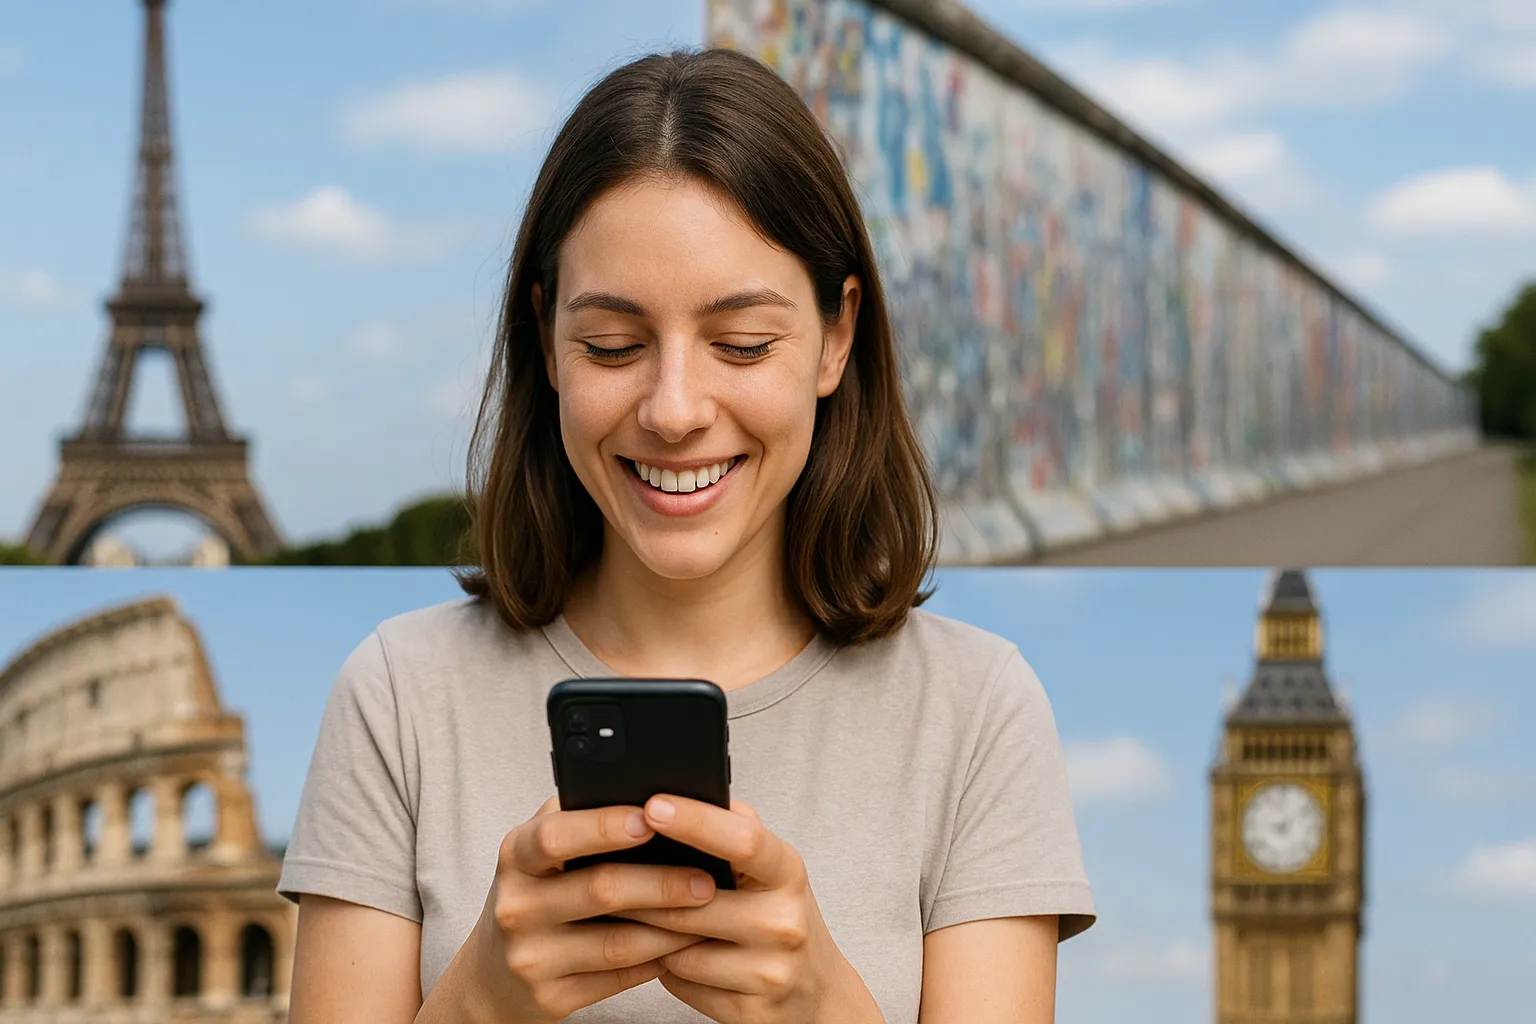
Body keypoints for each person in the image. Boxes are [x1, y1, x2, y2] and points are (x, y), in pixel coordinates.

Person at [278, 46, 1095, 1024]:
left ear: (838, 336)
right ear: (544, 341)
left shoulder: (976, 713)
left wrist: (824, 1006)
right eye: (612, 346)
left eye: (742, 344)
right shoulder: (397, 697)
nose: (673, 409)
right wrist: (482, 998)